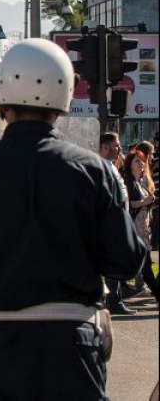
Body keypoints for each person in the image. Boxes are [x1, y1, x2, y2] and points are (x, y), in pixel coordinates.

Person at [0, 38, 146, 401]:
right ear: (64, 98)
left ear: (0, 95)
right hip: (70, 348)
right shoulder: (94, 171)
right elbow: (125, 260)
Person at [98, 131, 141, 314]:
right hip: (108, 223)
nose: (120, 148)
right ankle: (112, 301)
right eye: (116, 145)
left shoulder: (112, 166)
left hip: (118, 220)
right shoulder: (101, 167)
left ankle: (113, 299)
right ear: (104, 147)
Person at [123, 150, 159, 303]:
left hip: (143, 229)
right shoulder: (129, 182)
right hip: (134, 229)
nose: (141, 163)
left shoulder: (141, 182)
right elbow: (126, 204)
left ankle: (117, 294)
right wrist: (144, 202)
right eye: (137, 161)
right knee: (145, 268)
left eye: (142, 161)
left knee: (143, 266)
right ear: (130, 164)